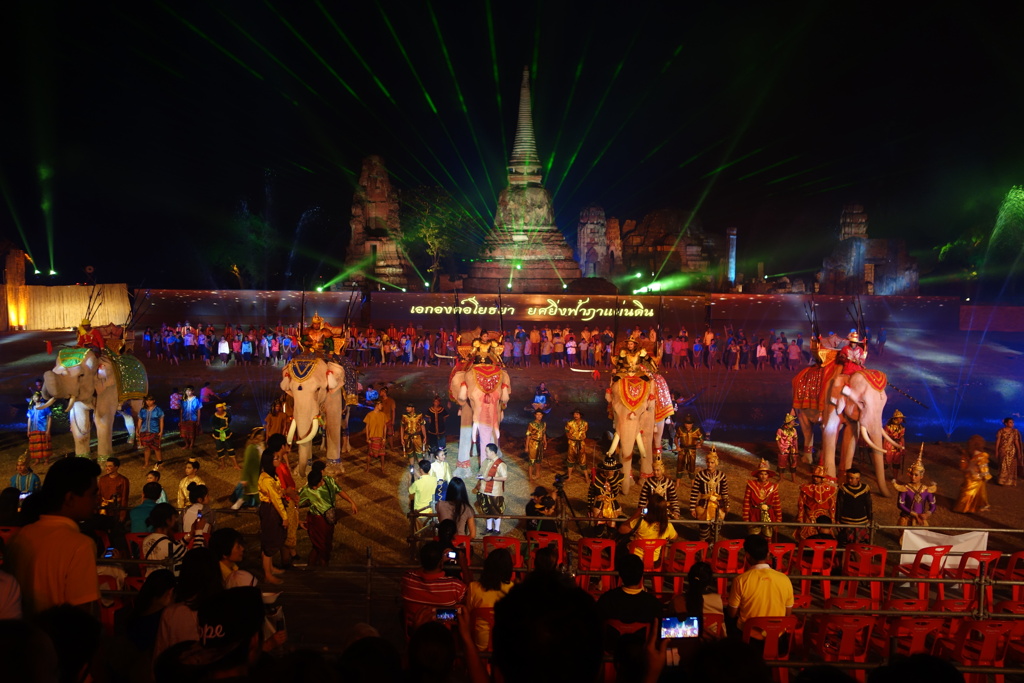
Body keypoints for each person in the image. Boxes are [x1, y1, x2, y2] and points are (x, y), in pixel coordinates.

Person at [6, 456, 102, 615]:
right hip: (61, 636)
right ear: (70, 498)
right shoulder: (80, 545)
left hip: (25, 635)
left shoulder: (20, 537)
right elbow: (82, 613)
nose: (97, 501)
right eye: (92, 494)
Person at [726, 534, 794, 653]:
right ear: (768, 554)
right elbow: (787, 614)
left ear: (747, 556)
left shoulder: (741, 580)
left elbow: (732, 613)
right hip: (777, 639)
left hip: (749, 640)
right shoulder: (785, 579)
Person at [400, 541, 467, 632]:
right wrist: (463, 565)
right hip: (444, 634)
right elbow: (470, 591)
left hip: (416, 633)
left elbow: (417, 570)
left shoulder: (407, 579)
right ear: (440, 562)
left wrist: (433, 561)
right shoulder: (455, 586)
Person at [300, 466, 358, 566]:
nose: (313, 487)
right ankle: (321, 566)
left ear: (321, 480)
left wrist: (351, 502)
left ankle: (316, 567)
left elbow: (339, 491)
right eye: (312, 485)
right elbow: (295, 502)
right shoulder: (307, 489)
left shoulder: (329, 481)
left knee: (325, 543)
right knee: (320, 545)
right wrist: (297, 519)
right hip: (317, 521)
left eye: (315, 485)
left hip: (329, 518)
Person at [596, 553, 664, 633]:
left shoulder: (606, 600)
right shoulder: (654, 605)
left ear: (620, 574)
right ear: (642, 574)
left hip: (611, 645)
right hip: (643, 645)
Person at [466, 547, 514, 651]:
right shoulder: (513, 590)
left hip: (478, 645)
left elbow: (468, 615)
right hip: (505, 646)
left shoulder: (473, 587)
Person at [258, 434, 289, 585]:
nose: (279, 459)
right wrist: (284, 517)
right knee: (269, 541)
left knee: (271, 539)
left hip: (272, 509)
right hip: (270, 510)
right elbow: (275, 500)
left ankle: (270, 568)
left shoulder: (271, 476)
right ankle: (267, 574)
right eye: (276, 458)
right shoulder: (266, 479)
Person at [143, 503, 201, 577]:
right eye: (174, 517)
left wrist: (190, 534)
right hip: (168, 584)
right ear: (168, 521)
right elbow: (197, 556)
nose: (176, 520)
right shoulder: (170, 546)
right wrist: (199, 531)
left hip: (152, 581)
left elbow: (174, 547)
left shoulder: (146, 540)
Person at [618, 493, 678, 563]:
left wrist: (635, 515)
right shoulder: (667, 526)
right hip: (653, 560)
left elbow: (621, 530)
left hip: (635, 558)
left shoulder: (641, 522)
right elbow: (674, 537)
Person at [689, 447, 729, 542]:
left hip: (718, 505)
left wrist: (727, 505)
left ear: (716, 463)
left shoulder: (722, 476)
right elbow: (694, 492)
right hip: (704, 505)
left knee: (716, 530)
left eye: (712, 463)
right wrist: (692, 508)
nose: (710, 465)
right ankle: (702, 551)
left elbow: (725, 493)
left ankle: (714, 550)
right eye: (708, 462)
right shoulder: (700, 475)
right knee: (703, 529)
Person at [892, 454, 937, 530]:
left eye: (916, 475)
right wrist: (915, 515)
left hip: (921, 519)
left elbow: (933, 505)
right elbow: (900, 505)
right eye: (912, 474)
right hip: (907, 518)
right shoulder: (905, 488)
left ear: (921, 476)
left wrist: (927, 514)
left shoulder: (926, 490)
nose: (913, 477)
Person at [743, 459, 782, 541]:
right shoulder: (751, 485)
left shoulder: (773, 487)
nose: (763, 476)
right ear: (758, 474)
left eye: (765, 474)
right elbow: (746, 502)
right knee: (754, 537)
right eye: (761, 474)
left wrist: (778, 518)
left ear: (768, 475)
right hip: (755, 514)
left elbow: (776, 503)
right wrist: (746, 518)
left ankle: (767, 553)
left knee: (768, 536)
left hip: (768, 515)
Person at [796, 465, 837, 540]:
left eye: (817, 477)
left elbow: (832, 505)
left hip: (824, 517)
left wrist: (832, 518)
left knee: (825, 537)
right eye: (814, 476)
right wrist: (800, 517)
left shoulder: (829, 489)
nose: (815, 478)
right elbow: (801, 503)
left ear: (822, 478)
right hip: (809, 516)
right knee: (807, 538)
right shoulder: (806, 488)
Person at [954, 435, 993, 513]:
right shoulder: (981, 456)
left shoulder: (966, 453)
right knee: (973, 493)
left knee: (966, 490)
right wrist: (986, 477)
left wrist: (967, 469)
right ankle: (965, 508)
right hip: (977, 477)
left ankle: (966, 507)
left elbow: (962, 465)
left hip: (968, 475)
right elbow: (983, 468)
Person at [835, 468, 873, 546]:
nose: (850, 480)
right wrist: (837, 519)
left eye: (853, 478)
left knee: (861, 543)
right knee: (846, 543)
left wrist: (870, 518)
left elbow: (868, 504)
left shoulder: (865, 488)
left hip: (861, 520)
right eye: (849, 478)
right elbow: (839, 504)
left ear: (858, 479)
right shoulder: (843, 489)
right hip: (846, 520)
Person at [588, 454, 625, 534]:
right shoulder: (596, 477)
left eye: (612, 470)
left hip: (613, 505)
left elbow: (616, 492)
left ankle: (610, 543)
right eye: (608, 470)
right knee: (599, 528)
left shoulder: (618, 477)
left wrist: (611, 479)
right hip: (599, 505)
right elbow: (591, 493)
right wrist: (589, 507)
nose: (610, 472)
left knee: (612, 527)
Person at [477, 443, 507, 536]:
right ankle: (489, 528)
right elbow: (481, 471)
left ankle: (497, 529)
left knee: (496, 511)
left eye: (487, 452)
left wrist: (492, 478)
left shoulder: (500, 464)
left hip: (494, 492)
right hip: (484, 490)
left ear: (493, 452)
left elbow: (504, 477)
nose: (486, 453)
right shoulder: (486, 461)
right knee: (487, 509)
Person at [232, 427, 264, 510]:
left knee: (251, 492)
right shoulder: (250, 448)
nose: (261, 437)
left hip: (257, 472)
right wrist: (244, 478)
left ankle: (261, 506)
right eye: (259, 435)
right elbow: (247, 464)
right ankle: (262, 506)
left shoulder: (259, 446)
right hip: (251, 474)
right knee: (252, 491)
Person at [97, 456, 131, 521]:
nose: (107, 468)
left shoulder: (123, 480)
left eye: (110, 466)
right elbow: (99, 495)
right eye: (106, 466)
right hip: (103, 508)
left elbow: (124, 498)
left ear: (116, 467)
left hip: (115, 509)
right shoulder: (102, 479)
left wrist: (122, 515)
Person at [137, 395, 165, 469]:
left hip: (154, 431)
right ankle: (146, 463)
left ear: (154, 401)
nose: (148, 402)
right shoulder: (143, 410)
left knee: (156, 447)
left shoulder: (158, 410)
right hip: (144, 431)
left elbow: (161, 420)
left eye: (150, 400)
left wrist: (161, 431)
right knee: (146, 448)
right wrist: (137, 430)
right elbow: (140, 420)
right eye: (147, 401)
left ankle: (160, 462)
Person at [408, 460, 437, 531]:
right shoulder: (434, 480)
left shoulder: (417, 483)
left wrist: (409, 480)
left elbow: (410, 491)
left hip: (419, 511)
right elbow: (425, 480)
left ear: (421, 469)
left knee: (418, 532)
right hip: (431, 510)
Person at [26, 392, 53, 465]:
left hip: (43, 428)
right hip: (33, 429)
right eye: (33, 397)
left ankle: (46, 460)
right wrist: (28, 430)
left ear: (40, 397)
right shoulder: (31, 407)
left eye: (36, 397)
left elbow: (49, 417)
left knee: (44, 444)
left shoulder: (45, 406)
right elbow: (29, 419)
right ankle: (37, 460)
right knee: (35, 445)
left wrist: (48, 429)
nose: (34, 399)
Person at [675, 414, 704, 480]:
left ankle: (692, 482)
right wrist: (677, 446)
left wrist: (699, 444)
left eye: (689, 424)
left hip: (692, 449)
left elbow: (702, 439)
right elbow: (676, 437)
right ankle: (678, 482)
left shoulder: (696, 430)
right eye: (686, 424)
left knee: (692, 465)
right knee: (680, 465)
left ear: (692, 424)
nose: (687, 425)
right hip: (682, 449)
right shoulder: (680, 429)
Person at [996, 417, 1023, 486]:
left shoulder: (1014, 432)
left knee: (1010, 466)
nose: (1012, 424)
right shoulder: (1001, 431)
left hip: (1012, 451)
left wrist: (1019, 452)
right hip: (1002, 450)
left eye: (1013, 422)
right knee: (1003, 465)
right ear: (1006, 423)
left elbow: (1016, 442)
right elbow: (998, 441)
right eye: (1010, 422)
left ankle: (1009, 481)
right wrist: (996, 451)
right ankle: (1001, 481)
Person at [211, 402, 238, 468]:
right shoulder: (214, 417)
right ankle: (222, 464)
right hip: (218, 434)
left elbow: (229, 421)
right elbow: (213, 425)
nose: (220, 409)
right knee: (219, 448)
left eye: (221, 407)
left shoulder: (227, 415)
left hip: (226, 433)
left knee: (230, 447)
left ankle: (235, 464)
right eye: (218, 408)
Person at [363, 400, 390, 467]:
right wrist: (367, 438)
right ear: (377, 405)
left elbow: (385, 426)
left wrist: (384, 437)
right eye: (381, 405)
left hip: (380, 437)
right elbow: (367, 427)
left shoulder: (383, 415)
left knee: (382, 454)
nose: (382, 406)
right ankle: (368, 467)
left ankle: (382, 468)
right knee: (369, 453)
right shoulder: (369, 415)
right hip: (372, 437)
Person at [564, 409, 589, 479]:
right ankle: (569, 476)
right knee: (570, 457)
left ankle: (586, 476)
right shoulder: (569, 423)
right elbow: (567, 431)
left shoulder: (585, 423)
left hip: (581, 443)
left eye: (577, 414)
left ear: (580, 415)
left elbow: (585, 431)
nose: (575, 416)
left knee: (582, 458)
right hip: (572, 443)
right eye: (574, 414)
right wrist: (570, 437)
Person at [882, 410, 907, 477]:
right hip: (889, 445)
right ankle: (882, 477)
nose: (902, 419)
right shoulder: (888, 427)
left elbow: (902, 438)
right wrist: (883, 447)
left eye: (902, 418)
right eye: (900, 418)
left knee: (896, 463)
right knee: (886, 461)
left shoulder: (902, 428)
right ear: (896, 418)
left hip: (898, 446)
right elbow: (885, 437)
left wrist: (903, 448)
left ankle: (895, 478)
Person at [776, 411, 799, 480]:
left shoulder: (794, 430)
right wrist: (780, 450)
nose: (794, 422)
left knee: (793, 464)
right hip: (783, 448)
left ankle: (794, 479)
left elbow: (795, 440)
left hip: (792, 449)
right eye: (793, 421)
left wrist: (796, 450)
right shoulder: (780, 430)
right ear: (789, 422)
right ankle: (781, 478)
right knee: (782, 463)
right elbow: (777, 440)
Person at [526, 410, 547, 484]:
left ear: (542, 415)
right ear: (535, 415)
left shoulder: (544, 424)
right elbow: (528, 435)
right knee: (532, 460)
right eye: (537, 415)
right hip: (533, 443)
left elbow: (544, 433)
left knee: (539, 460)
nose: (539, 416)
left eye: (540, 415)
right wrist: (526, 447)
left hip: (540, 444)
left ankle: (537, 474)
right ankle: (530, 477)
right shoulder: (531, 424)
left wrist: (545, 442)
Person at [179, 385, 201, 450]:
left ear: (193, 391)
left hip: (193, 419)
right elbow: (181, 410)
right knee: (183, 433)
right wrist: (180, 420)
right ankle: (187, 444)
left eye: (189, 391)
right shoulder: (183, 400)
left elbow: (199, 410)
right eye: (186, 391)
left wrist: (198, 420)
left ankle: (191, 445)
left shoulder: (196, 400)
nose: (188, 392)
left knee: (192, 433)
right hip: (184, 419)